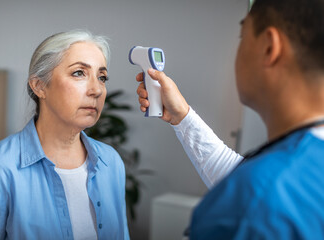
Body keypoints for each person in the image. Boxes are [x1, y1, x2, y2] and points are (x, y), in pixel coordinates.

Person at [136, 0, 324, 238]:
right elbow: (240, 175)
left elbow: (251, 191)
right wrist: (181, 116)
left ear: (269, 47)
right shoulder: (295, 171)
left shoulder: (250, 206)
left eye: (242, 36)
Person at [0, 30, 130, 239]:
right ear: (39, 86)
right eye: (79, 73)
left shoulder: (111, 162)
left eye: (102, 77)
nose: (97, 90)